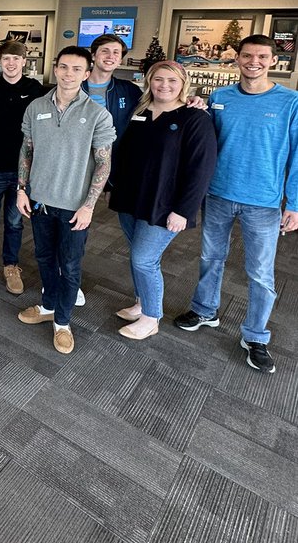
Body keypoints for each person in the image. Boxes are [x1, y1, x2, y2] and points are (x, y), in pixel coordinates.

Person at [174, 34, 298, 373]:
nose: (253, 62)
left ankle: (256, 336)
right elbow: (205, 142)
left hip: (264, 201)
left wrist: (295, 203)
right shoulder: (219, 96)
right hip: (217, 194)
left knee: (260, 272)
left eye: (261, 56)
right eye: (247, 56)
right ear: (237, 59)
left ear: (273, 60)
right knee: (210, 257)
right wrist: (197, 107)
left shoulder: (290, 102)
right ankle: (205, 310)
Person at [16, 47, 115, 354]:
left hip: (75, 208)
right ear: (55, 69)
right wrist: (21, 188)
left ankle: (62, 321)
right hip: (40, 202)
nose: (68, 73)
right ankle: (47, 306)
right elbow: (27, 150)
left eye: (76, 69)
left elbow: (103, 163)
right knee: (44, 258)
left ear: (86, 74)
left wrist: (89, 206)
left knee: (69, 267)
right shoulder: (36, 107)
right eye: (63, 67)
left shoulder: (98, 114)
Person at [108, 61, 217, 340]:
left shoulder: (195, 118)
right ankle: (142, 301)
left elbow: (201, 169)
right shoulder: (141, 111)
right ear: (149, 81)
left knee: (145, 260)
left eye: (172, 81)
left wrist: (184, 210)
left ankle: (151, 316)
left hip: (166, 203)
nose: (164, 86)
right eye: (158, 79)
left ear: (183, 84)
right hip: (132, 197)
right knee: (136, 255)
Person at [0, 39, 48, 295]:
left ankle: (10, 265)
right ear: (0, 59)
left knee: (15, 223)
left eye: (16, 59)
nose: (11, 63)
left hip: (22, 170)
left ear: (24, 61)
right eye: (6, 58)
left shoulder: (35, 88)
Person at [82, 34, 141, 188]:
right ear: (93, 55)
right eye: (105, 51)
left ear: (120, 60)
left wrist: (190, 101)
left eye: (116, 52)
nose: (110, 56)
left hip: (112, 167)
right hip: (77, 167)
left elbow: (159, 105)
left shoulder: (129, 91)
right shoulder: (74, 87)